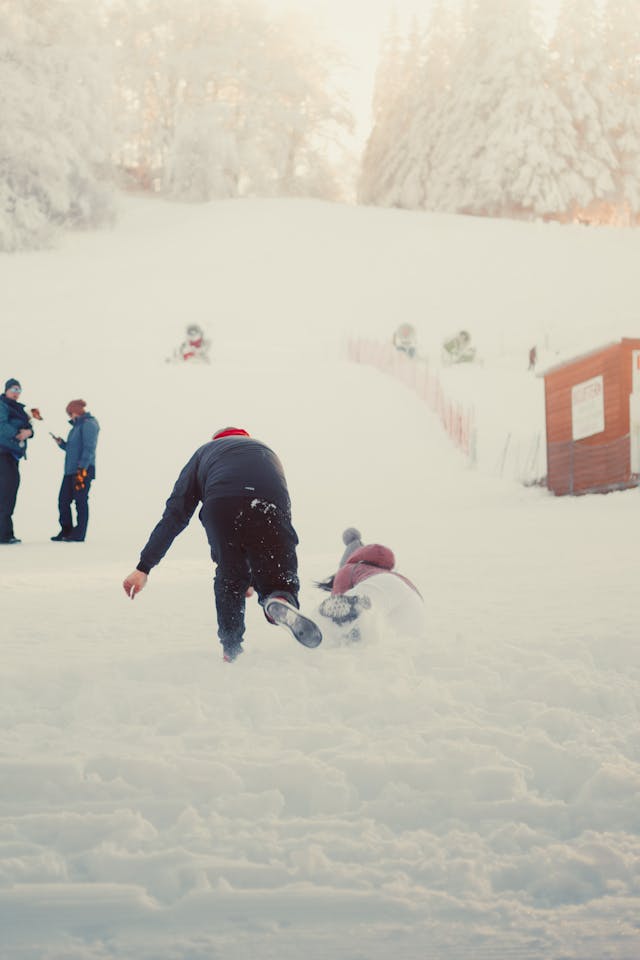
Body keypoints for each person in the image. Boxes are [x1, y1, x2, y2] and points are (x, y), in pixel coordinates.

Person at [122, 427, 322, 661]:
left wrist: (144, 566)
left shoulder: (204, 453)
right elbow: (280, 514)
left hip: (222, 503)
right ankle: (280, 598)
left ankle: (231, 648)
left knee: (230, 574)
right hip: (269, 502)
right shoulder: (265, 451)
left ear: (216, 440)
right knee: (277, 564)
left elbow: (175, 514)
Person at [316, 529, 424, 641]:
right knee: (376, 637)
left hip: (379, 585)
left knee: (332, 616)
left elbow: (338, 601)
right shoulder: (389, 573)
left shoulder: (350, 567)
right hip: (414, 603)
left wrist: (330, 613)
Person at [50, 399, 100, 542]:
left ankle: (79, 534)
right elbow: (72, 449)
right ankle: (66, 531)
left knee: (80, 500)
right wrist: (62, 444)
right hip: (70, 470)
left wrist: (82, 468)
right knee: (63, 500)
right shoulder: (75, 427)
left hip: (82, 470)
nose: (69, 416)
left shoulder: (89, 424)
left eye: (70, 413)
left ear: (75, 411)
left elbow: (89, 448)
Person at [0, 378, 34, 544]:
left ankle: (6, 532)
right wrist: (17, 433)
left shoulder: (19, 409)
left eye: (19, 390)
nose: (16, 393)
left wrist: (28, 432)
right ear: (6, 390)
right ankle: (3, 534)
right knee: (7, 491)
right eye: (13, 389)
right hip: (3, 453)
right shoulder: (2, 405)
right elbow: (1, 426)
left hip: (13, 454)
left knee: (9, 491)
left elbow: (28, 426)